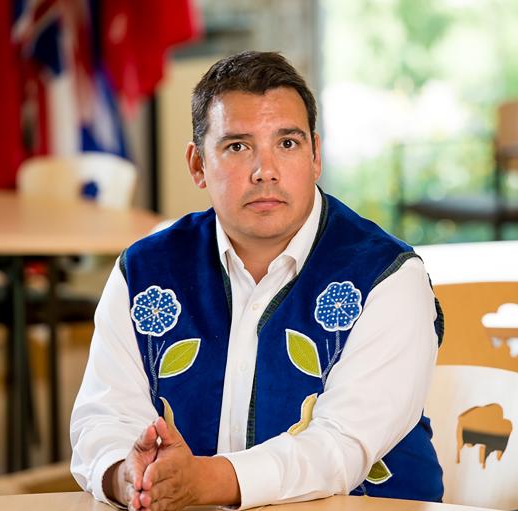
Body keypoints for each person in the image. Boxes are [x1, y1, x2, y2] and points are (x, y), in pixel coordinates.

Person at [70, 50, 444, 511]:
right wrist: (127, 475)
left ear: (316, 156)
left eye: (286, 143)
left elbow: (339, 447)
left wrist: (207, 480)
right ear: (197, 165)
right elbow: (103, 417)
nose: (265, 171)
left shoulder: (387, 277)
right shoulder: (144, 272)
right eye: (237, 147)